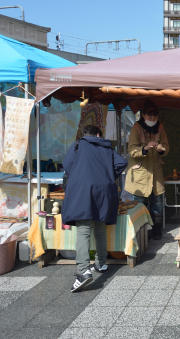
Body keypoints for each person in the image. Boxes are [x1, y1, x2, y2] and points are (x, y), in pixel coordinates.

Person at [62, 125, 128, 292]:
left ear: (84, 135)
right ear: (98, 134)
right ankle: (101, 263)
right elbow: (122, 162)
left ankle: (83, 271)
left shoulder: (78, 145)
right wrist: (108, 175)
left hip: (82, 189)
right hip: (104, 190)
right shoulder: (106, 146)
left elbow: (67, 165)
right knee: (100, 227)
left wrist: (81, 173)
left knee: (83, 231)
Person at [124, 100, 169, 240]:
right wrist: (145, 148)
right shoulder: (136, 128)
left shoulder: (160, 127)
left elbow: (166, 146)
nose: (152, 120)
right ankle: (140, 231)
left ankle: (156, 230)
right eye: (150, 118)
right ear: (143, 115)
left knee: (158, 203)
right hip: (140, 172)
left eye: (155, 118)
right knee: (139, 204)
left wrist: (161, 149)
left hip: (156, 172)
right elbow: (131, 150)